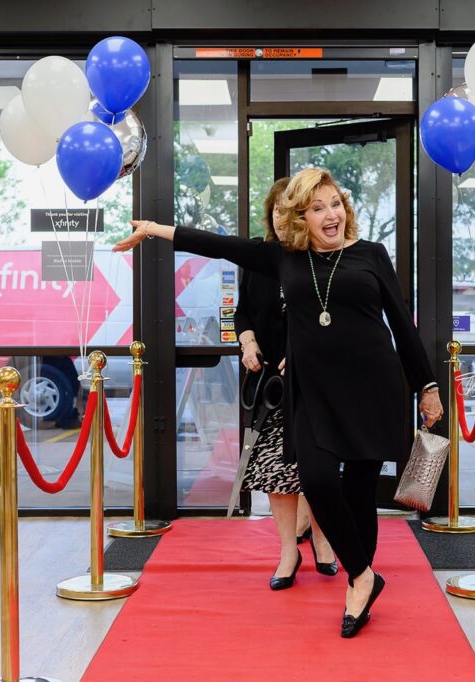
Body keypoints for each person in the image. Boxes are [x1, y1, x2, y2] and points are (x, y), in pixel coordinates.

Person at [114, 167, 443, 639]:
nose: (330, 214)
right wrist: (154, 230)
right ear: (300, 217)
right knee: (317, 478)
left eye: (335, 204)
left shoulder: (372, 255)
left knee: (358, 492)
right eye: (317, 208)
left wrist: (426, 386)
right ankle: (366, 575)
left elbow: (402, 324)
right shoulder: (285, 258)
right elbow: (218, 244)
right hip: (311, 391)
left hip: (373, 387)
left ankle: (357, 581)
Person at [234, 177, 337, 590]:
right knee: (277, 471)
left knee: (318, 469)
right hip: (269, 385)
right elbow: (242, 312)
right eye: (274, 211)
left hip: (312, 381)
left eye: (287, 210)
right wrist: (247, 339)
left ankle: (324, 542)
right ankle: (288, 552)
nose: (279, 219)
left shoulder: (317, 261)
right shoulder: (259, 260)